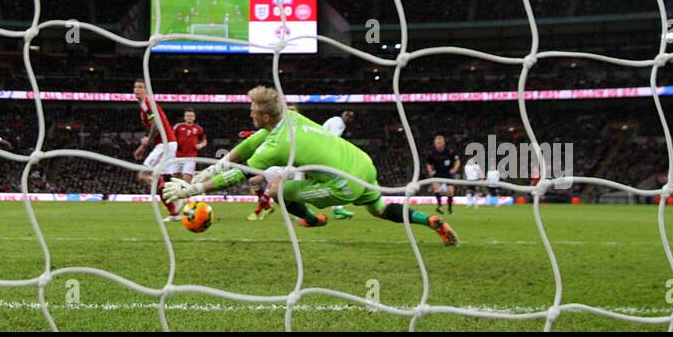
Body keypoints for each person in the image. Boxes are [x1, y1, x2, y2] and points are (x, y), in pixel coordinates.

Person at [164, 85, 458, 245]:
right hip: (362, 163)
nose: (250, 114)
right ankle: (432, 221)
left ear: (265, 116)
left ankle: (313, 219)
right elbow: (242, 150)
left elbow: (239, 173)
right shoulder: (289, 118)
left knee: (279, 190)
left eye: (253, 111)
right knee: (379, 208)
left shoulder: (278, 144)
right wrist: (200, 175)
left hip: (344, 183)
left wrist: (193, 191)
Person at [132, 79, 180, 221]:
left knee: (143, 175)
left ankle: (178, 192)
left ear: (146, 90)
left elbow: (156, 126)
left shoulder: (147, 104)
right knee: (161, 179)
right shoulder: (144, 105)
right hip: (168, 144)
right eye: (135, 87)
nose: (137, 90)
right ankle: (175, 213)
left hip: (165, 144)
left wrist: (145, 143)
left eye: (140, 87)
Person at [425, 135, 460, 214]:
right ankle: (440, 206)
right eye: (437, 143)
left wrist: (454, 169)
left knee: (450, 191)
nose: (439, 144)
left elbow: (457, 161)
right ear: (435, 143)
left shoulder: (450, 151)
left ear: (444, 143)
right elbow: (428, 163)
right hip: (437, 173)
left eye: (440, 142)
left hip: (448, 173)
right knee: (436, 188)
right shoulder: (431, 152)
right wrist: (430, 171)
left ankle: (450, 209)